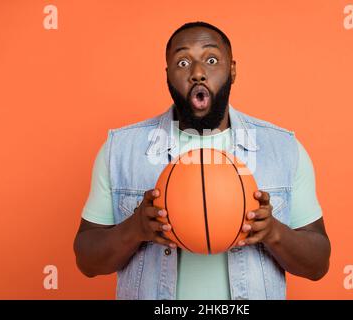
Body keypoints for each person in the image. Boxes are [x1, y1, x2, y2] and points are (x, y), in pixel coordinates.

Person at [73, 21, 331, 300]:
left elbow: (318, 265)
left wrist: (274, 233)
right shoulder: (120, 149)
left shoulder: (282, 148)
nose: (197, 72)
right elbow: (87, 262)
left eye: (211, 59)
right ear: (167, 75)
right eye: (182, 62)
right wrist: (134, 230)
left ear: (232, 69)